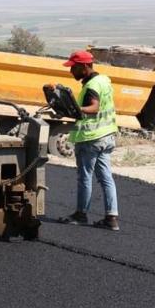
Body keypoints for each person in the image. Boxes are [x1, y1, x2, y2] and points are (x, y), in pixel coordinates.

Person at [58, 50, 120, 231]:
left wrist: (76, 109)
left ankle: (81, 214)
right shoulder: (104, 81)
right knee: (106, 178)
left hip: (91, 139)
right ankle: (111, 218)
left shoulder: (92, 86)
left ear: (84, 67)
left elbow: (94, 107)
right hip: (107, 136)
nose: (71, 72)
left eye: (74, 68)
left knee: (85, 177)